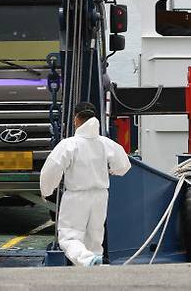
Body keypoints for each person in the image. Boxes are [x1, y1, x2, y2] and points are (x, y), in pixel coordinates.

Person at [40, 102, 131, 266]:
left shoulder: (69, 144)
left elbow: (52, 169)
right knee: (95, 239)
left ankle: (88, 259)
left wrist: (47, 190)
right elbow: (124, 165)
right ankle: (94, 268)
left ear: (76, 119)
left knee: (69, 237)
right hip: (101, 196)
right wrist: (113, 171)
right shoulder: (105, 143)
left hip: (77, 196)